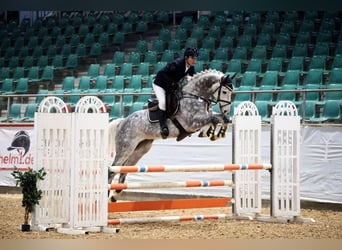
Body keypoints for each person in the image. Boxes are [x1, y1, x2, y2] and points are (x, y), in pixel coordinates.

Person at [153, 47, 199, 138]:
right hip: (160, 84)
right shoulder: (176, 64)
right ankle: (163, 127)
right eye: (193, 58)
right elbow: (161, 74)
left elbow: (194, 77)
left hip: (171, 87)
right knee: (163, 103)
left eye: (196, 58)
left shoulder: (190, 67)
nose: (195, 60)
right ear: (187, 58)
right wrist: (173, 83)